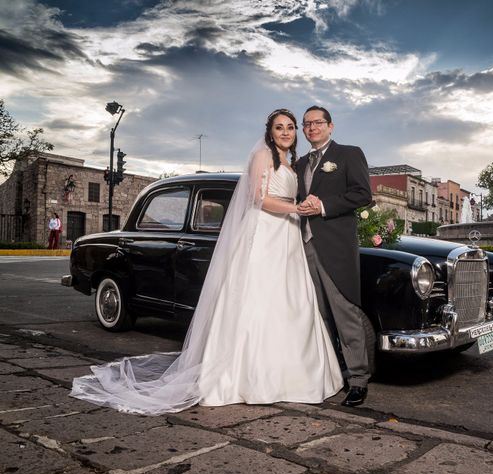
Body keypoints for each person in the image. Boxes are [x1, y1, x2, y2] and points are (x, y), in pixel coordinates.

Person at [70, 109, 343, 415]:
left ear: (296, 132)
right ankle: (247, 377)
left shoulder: (292, 165)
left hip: (287, 237)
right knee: (257, 299)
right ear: (269, 131)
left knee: (290, 301)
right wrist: (296, 208)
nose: (285, 131)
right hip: (264, 234)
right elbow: (257, 197)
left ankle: (293, 374)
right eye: (279, 127)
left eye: (290, 127)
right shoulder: (262, 157)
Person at [297, 106, 373, 407]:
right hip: (303, 247)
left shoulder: (349, 154)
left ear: (330, 126)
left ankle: (358, 379)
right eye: (307, 124)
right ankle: (331, 373)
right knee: (319, 315)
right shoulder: (300, 163)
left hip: (336, 248)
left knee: (345, 312)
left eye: (318, 123)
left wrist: (323, 206)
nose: (312, 128)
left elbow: (362, 194)